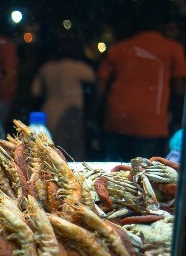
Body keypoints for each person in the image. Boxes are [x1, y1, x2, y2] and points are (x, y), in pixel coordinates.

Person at [93, 12, 186, 161]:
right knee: (147, 179)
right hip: (153, 126)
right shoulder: (173, 49)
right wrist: (175, 120)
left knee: (111, 177)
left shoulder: (117, 49)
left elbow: (100, 86)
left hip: (117, 121)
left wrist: (95, 115)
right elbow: (180, 89)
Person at [31, 31, 95, 160]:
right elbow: (93, 78)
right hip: (72, 115)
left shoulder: (46, 68)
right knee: (73, 152)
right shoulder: (78, 67)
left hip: (49, 113)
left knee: (52, 151)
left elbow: (35, 91)